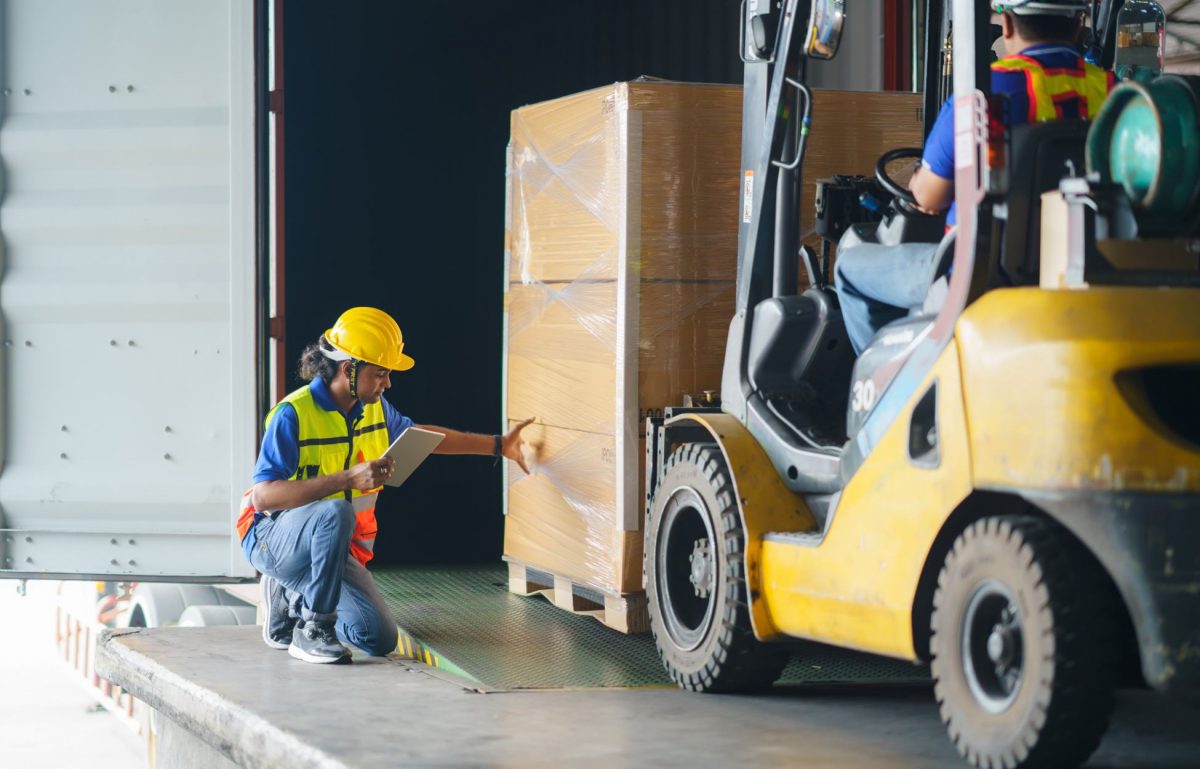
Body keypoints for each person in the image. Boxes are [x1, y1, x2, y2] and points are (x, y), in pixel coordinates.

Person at [235, 307, 534, 664]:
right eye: (380, 374)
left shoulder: (374, 409)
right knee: (335, 509)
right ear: (349, 369)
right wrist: (348, 479)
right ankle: (312, 629)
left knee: (376, 638)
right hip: (270, 540)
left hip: (331, 549)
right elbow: (264, 495)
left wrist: (499, 445)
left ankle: (294, 598)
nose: (387, 383)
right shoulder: (293, 414)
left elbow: (424, 438)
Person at [834, 0, 1112, 354]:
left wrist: (921, 181)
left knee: (850, 267)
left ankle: (890, 399)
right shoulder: (1114, 92)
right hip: (1086, 269)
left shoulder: (984, 93)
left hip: (978, 272)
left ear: (1007, 25)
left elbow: (929, 197)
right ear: (1078, 26)